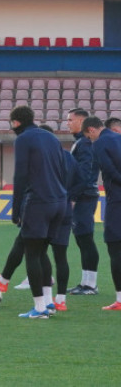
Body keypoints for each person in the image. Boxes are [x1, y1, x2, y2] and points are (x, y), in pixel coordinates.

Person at [8, 105, 68, 319]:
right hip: (59, 201)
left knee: (32, 253)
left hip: (39, 202)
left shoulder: (23, 139)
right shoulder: (51, 138)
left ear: (16, 122)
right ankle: (49, 302)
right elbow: (62, 170)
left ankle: (40, 308)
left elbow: (20, 176)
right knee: (42, 252)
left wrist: (15, 210)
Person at [65, 108, 102, 295]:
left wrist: (73, 196)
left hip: (84, 196)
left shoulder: (85, 144)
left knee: (86, 238)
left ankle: (91, 284)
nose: (68, 123)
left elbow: (85, 174)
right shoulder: (81, 142)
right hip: (83, 195)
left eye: (70, 120)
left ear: (81, 121)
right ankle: (86, 283)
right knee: (82, 239)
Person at [88, 116, 121, 311]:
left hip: (117, 202)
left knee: (115, 248)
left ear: (92, 130)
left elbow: (109, 171)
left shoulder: (100, 143)